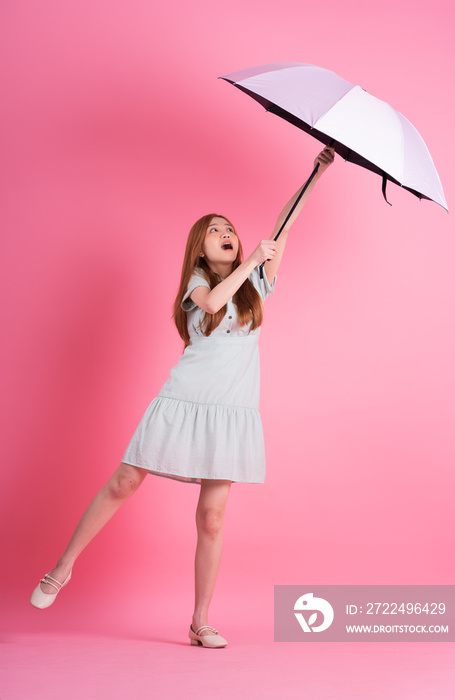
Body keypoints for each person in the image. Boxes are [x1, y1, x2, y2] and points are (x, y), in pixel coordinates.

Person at [30, 146, 335, 648]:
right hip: (182, 400)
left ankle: (200, 621)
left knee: (212, 517)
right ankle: (62, 568)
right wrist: (254, 257)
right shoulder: (196, 284)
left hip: (231, 411)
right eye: (216, 230)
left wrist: (316, 172)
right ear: (200, 248)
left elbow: (281, 228)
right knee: (125, 481)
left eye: (230, 229)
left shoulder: (257, 284)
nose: (229, 235)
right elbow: (215, 302)